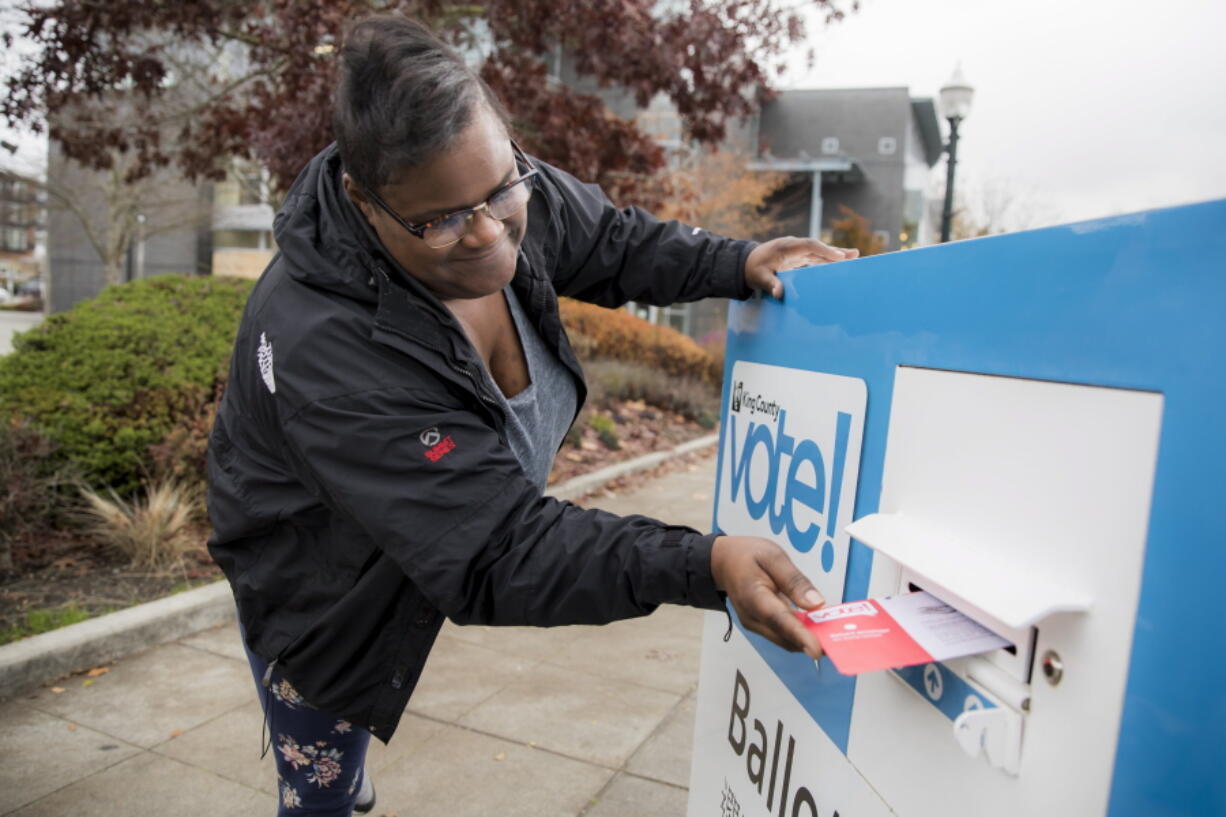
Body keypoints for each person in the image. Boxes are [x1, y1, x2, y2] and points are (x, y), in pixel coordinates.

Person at [207, 14, 857, 816]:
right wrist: (703, 562)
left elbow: (611, 242)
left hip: (437, 524)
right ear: (361, 198)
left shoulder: (491, 184)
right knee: (324, 774)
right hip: (323, 583)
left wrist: (735, 260)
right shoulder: (325, 348)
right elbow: (497, 549)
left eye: (500, 188)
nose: (490, 232)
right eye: (440, 219)